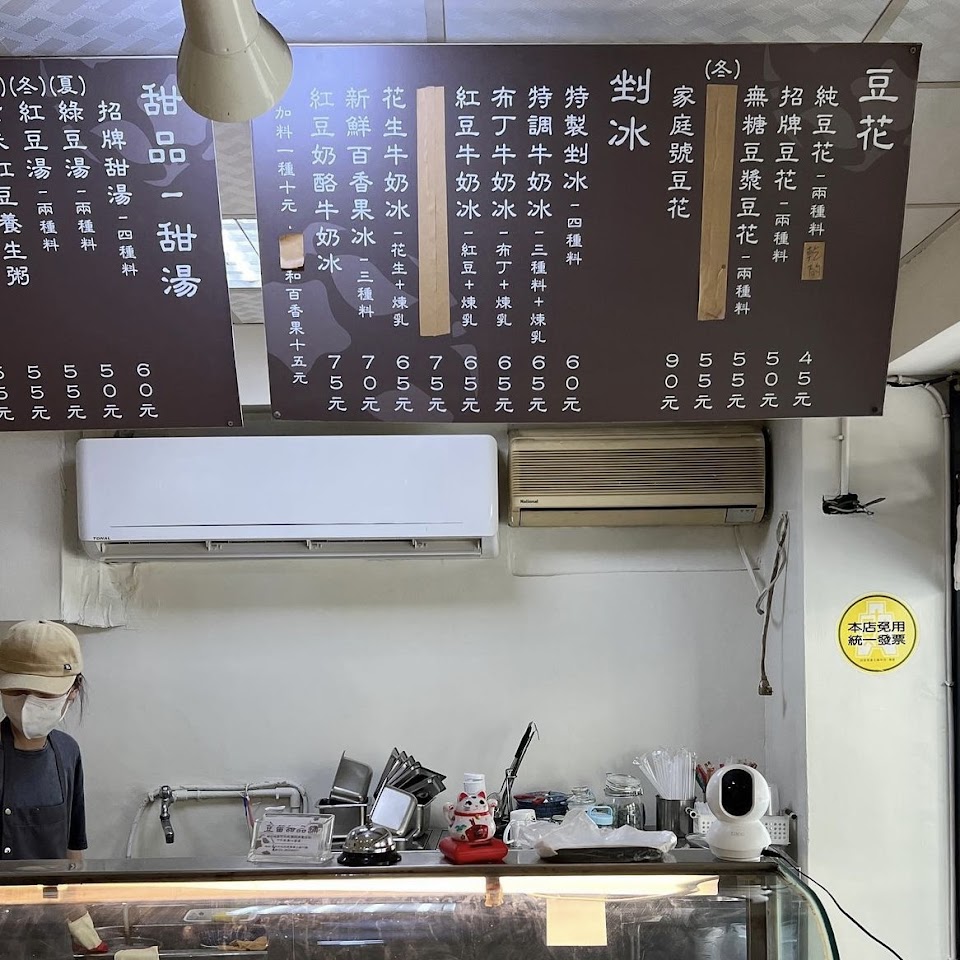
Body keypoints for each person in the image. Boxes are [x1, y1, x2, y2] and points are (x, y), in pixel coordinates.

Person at [0, 620, 87, 861]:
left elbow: (73, 849)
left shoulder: (68, 752)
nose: (28, 703)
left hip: (52, 886)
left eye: (44, 693)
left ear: (73, 691)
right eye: (17, 690)